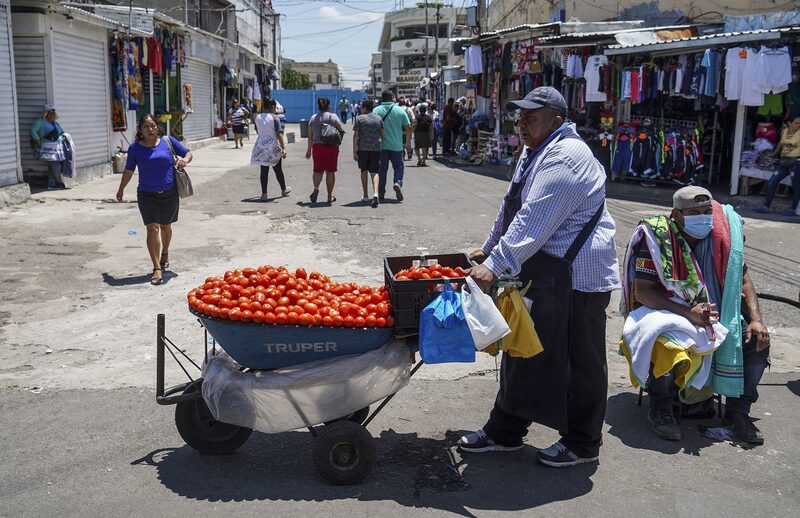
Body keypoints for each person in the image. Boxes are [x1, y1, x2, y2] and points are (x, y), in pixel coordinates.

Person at [457, 87, 620, 468]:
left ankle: (582, 443)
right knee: (522, 352)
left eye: (531, 117)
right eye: (520, 117)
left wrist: (496, 263)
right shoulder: (535, 152)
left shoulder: (567, 156)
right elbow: (512, 205)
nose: (521, 123)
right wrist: (490, 246)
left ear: (556, 120)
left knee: (581, 364)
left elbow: (536, 219)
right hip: (545, 273)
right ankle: (505, 432)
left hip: (579, 278)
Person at [620, 186, 770, 444]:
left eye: (706, 212)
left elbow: (743, 278)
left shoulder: (720, 238)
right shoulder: (657, 236)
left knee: (755, 339)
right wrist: (688, 313)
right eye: (693, 212)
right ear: (676, 215)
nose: (702, 218)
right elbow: (644, 292)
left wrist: (757, 318)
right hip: (667, 307)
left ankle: (738, 412)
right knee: (665, 342)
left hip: (714, 310)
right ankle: (661, 409)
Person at [115, 114, 193, 285]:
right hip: (146, 195)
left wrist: (184, 160)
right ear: (140, 131)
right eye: (146, 127)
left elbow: (188, 153)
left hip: (169, 193)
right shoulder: (135, 148)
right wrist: (121, 189)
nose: (150, 130)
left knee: (166, 226)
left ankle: (165, 252)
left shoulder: (167, 141)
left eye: (153, 126)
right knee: (152, 228)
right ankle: (157, 267)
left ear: (158, 127)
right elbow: (129, 170)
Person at [755, 115, 800, 217]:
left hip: (796, 162)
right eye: (796, 123)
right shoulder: (785, 131)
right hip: (783, 161)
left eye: (799, 123)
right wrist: (774, 153)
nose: (798, 125)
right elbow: (780, 144)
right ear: (790, 123)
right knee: (772, 182)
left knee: (796, 186)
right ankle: (766, 206)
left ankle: (792, 209)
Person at [372, 91, 412, 202]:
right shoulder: (400, 110)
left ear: (382, 98)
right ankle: (397, 182)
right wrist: (408, 143)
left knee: (381, 170)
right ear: (393, 98)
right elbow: (408, 128)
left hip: (381, 146)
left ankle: (380, 192)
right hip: (397, 145)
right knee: (398, 167)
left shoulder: (376, 111)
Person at [306, 97, 345, 204]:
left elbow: (310, 136)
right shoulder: (334, 117)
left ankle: (316, 188)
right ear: (329, 106)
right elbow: (341, 130)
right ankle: (329, 196)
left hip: (317, 147)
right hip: (331, 148)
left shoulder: (313, 118)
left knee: (318, 170)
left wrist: (309, 149)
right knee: (330, 172)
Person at [251, 98, 291, 200]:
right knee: (278, 169)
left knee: (264, 170)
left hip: (261, 146)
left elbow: (257, 131)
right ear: (272, 107)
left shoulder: (258, 117)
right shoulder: (275, 118)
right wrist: (283, 148)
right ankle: (283, 189)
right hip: (272, 146)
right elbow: (279, 134)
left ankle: (264, 194)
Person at [352, 99, 384, 208]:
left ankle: (365, 195)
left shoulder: (360, 119)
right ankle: (375, 193)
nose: (360, 109)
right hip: (376, 149)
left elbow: (355, 136)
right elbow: (382, 134)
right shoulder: (378, 118)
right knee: (375, 172)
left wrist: (354, 151)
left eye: (362, 107)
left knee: (364, 171)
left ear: (365, 108)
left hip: (363, 149)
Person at [30, 104, 67, 189]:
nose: (52, 114)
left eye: (53, 112)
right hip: (48, 148)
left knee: (53, 166)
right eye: (50, 112)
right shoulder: (40, 122)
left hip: (57, 148)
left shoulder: (55, 123)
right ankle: (58, 182)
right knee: (55, 166)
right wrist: (38, 140)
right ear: (45, 113)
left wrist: (63, 137)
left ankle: (51, 184)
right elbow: (33, 130)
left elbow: (61, 132)